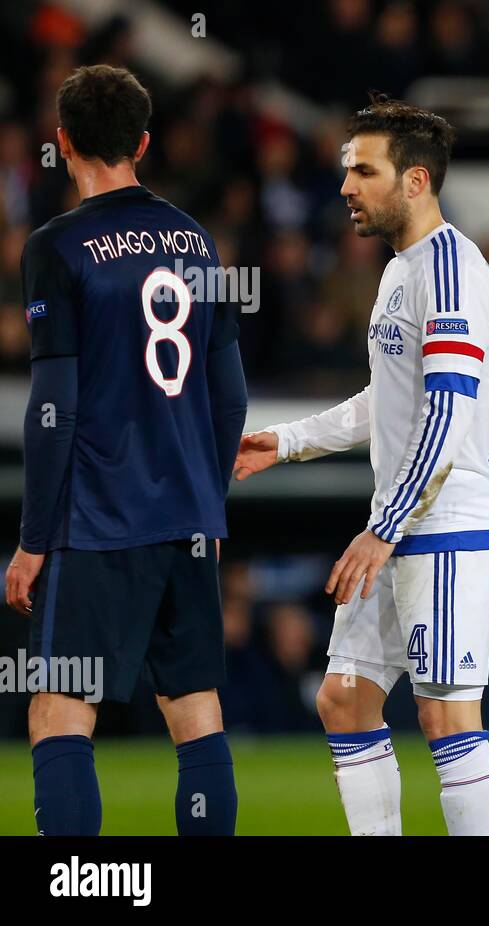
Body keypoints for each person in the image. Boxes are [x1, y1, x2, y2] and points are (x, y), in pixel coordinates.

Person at [234, 95, 489, 836]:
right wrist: (287, 441)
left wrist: (384, 527)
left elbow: (447, 416)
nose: (347, 186)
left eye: (364, 170)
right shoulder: (400, 270)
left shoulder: (449, 274)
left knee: (446, 713)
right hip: (401, 519)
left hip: (446, 522)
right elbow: (384, 399)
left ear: (415, 181)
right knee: (345, 699)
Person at [5, 65, 247, 836]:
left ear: (64, 142)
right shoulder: (198, 241)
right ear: (143, 142)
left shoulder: (58, 247)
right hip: (188, 520)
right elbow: (230, 396)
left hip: (97, 520)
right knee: (197, 712)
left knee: (59, 712)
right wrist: (207, 499)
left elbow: (55, 407)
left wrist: (34, 539)